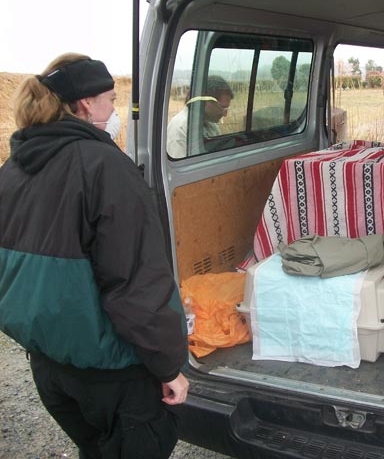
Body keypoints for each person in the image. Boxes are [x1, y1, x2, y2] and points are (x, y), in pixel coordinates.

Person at [0, 53, 189, 458]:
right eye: (110, 97)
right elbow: (135, 284)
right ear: (86, 103)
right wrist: (168, 366)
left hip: (49, 366)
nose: (115, 107)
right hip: (111, 372)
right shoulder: (105, 167)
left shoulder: (13, 167)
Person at [167, 75, 234, 158]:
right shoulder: (180, 128)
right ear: (206, 102)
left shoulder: (211, 124)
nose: (225, 114)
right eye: (222, 108)